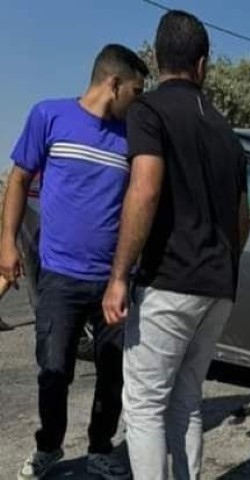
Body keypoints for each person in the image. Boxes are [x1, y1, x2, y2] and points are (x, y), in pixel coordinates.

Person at [101, 10, 250, 478]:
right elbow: (242, 222)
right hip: (218, 287)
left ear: (156, 56)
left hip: (169, 281)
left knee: (144, 404)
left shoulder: (149, 111)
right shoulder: (227, 132)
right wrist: (221, 261)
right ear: (202, 65)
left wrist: (119, 276)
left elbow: (144, 189)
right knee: (186, 399)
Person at [0, 44, 148, 480]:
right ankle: (49, 446)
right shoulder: (49, 116)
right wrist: (6, 244)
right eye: (136, 91)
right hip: (59, 276)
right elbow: (19, 179)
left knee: (112, 372)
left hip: (113, 281)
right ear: (114, 84)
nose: (138, 101)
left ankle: (101, 447)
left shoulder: (130, 138)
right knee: (53, 370)